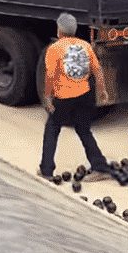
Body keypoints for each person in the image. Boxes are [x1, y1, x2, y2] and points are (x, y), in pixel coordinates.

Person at [39, 12, 111, 182]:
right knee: (84, 130)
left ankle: (46, 170)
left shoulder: (55, 48)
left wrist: (48, 97)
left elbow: (50, 75)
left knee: (52, 128)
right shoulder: (85, 45)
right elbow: (98, 71)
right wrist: (102, 91)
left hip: (63, 97)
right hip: (84, 95)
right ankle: (100, 167)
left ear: (59, 30)